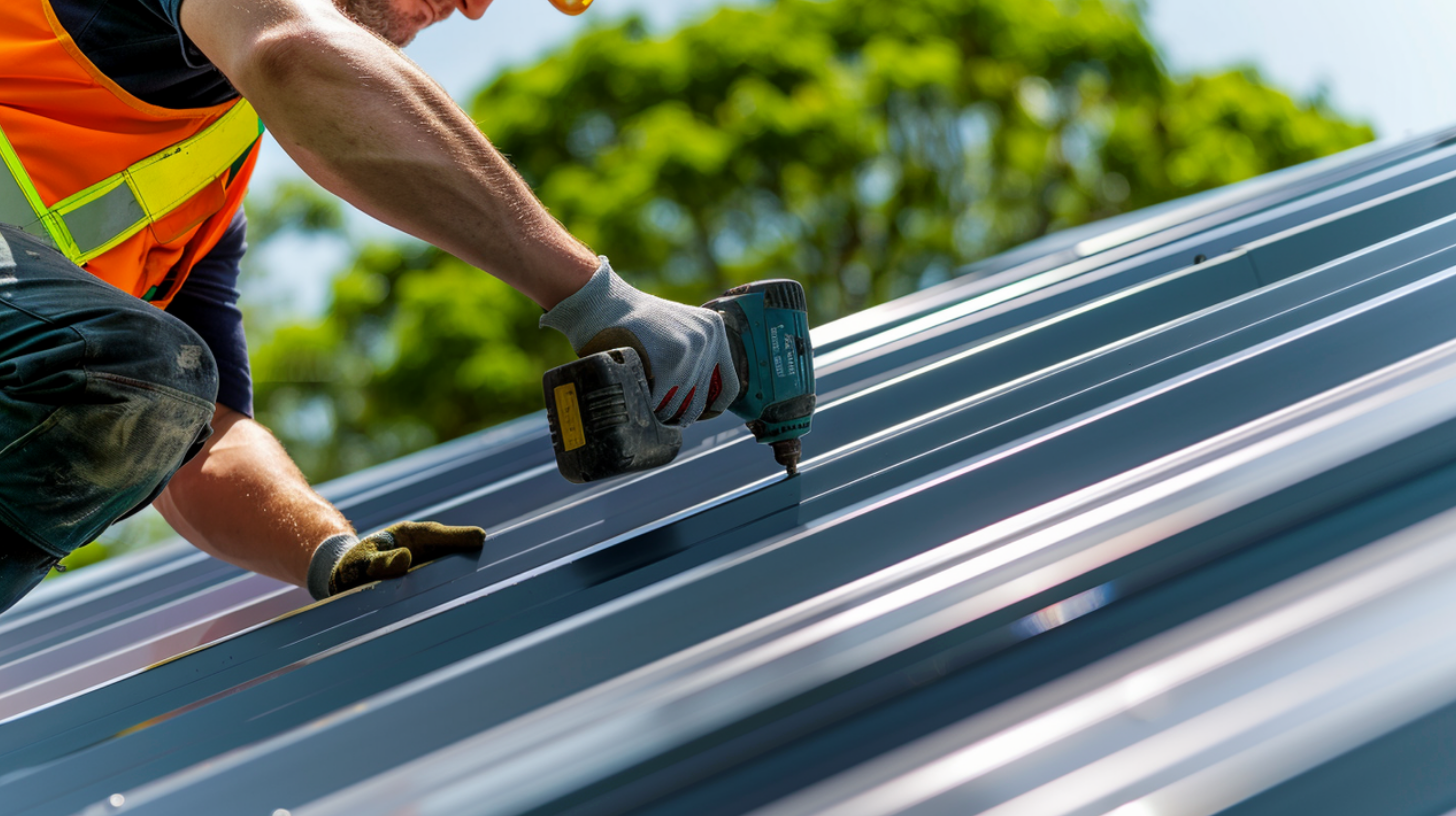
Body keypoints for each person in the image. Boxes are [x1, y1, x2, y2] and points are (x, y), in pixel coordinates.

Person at [0, 0, 738, 614]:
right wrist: (591, 295)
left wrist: (331, 553)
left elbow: (201, 439)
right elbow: (291, 48)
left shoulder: (196, 182)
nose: (475, 8)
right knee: (131, 365)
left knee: (150, 380)